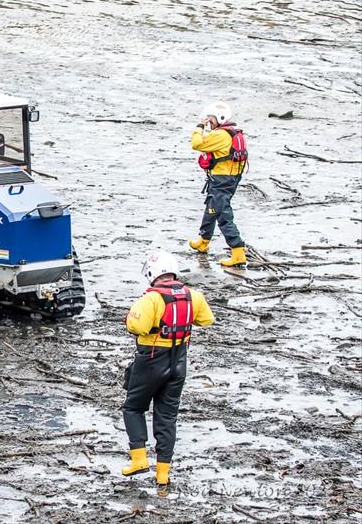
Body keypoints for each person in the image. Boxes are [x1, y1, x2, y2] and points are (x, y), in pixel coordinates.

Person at [121, 250, 214, 485]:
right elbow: (206, 320)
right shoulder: (193, 295)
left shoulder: (151, 298)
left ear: (153, 273)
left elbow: (137, 326)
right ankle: (163, 474)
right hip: (179, 362)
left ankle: (139, 459)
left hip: (151, 360)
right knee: (167, 416)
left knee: (133, 408)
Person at [188, 101, 248, 267]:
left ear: (220, 118)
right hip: (231, 178)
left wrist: (199, 125)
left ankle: (238, 251)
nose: (210, 122)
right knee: (211, 208)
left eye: (211, 118)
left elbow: (197, 143)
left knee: (223, 216)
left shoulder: (220, 135)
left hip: (222, 180)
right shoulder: (233, 132)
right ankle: (203, 240)